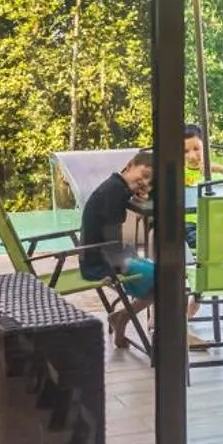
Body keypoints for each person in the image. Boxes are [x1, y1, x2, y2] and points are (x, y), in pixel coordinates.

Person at [79, 149, 154, 350]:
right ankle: (122, 317)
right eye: (144, 175)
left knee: (161, 276)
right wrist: (131, 259)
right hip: (101, 264)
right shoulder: (114, 193)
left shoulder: (115, 187)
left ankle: (121, 317)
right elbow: (113, 242)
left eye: (150, 183)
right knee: (166, 279)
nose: (145, 183)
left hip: (98, 256)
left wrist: (136, 193)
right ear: (129, 165)